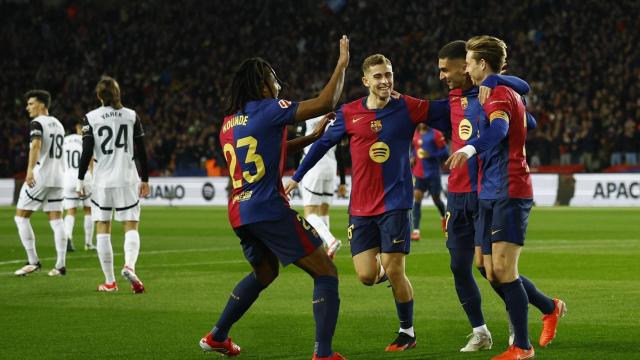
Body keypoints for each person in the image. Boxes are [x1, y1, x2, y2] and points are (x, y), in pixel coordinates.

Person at [286, 53, 458, 352]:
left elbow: (446, 110)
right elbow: (322, 144)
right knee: (366, 276)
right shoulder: (349, 113)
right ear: (366, 81)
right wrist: (296, 178)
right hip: (361, 208)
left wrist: (473, 93)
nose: (385, 80)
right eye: (378, 76)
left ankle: (407, 331)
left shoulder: (406, 106)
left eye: (388, 74)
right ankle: (393, 280)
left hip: (396, 202)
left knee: (394, 268)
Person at [199, 36, 349, 360]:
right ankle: (323, 354)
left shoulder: (229, 122)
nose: (278, 82)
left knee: (265, 273)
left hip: (240, 211)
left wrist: (310, 138)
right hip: (267, 208)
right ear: (262, 84)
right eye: (273, 76)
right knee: (326, 271)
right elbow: (326, 101)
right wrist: (342, 64)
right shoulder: (270, 109)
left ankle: (217, 336)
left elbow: (269, 151)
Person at [446, 35, 566, 360]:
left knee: (503, 269)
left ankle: (522, 347)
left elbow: (499, 131)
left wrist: (469, 149)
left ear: (481, 64)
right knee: (485, 268)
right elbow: (526, 119)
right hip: (488, 190)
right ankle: (549, 306)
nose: (466, 68)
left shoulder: (497, 94)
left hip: (509, 189)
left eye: (469, 62)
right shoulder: (497, 91)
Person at [76, 76, 150, 294]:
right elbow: (142, 151)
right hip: (127, 178)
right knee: (131, 225)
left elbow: (87, 151)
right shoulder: (131, 115)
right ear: (119, 93)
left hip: (103, 181)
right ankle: (129, 265)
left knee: (103, 228)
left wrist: (81, 179)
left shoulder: (91, 118)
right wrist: (145, 179)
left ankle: (110, 282)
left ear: (99, 96)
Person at [14, 90, 67, 277]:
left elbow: (36, 145)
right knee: (56, 220)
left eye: (31, 103)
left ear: (42, 105)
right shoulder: (59, 124)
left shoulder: (37, 123)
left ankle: (33, 261)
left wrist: (29, 170)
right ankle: (60, 266)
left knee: (21, 217)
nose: (27, 107)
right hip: (59, 177)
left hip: (42, 175)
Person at [299, 114, 347, 259]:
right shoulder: (334, 121)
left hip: (313, 168)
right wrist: (343, 181)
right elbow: (340, 153)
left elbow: (299, 145)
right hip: (331, 169)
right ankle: (327, 248)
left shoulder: (306, 120)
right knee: (324, 211)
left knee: (310, 213)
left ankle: (331, 241)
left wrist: (298, 171)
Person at [410, 123, 448, 241]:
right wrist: (412, 157)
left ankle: (444, 218)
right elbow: (414, 150)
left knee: (436, 199)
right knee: (417, 198)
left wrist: (430, 155)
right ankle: (416, 231)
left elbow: (445, 152)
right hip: (419, 173)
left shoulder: (436, 134)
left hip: (433, 173)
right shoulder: (415, 133)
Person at [62, 122, 95, 252]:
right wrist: (93, 175)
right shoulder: (87, 140)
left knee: (70, 211)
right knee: (88, 210)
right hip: (84, 177)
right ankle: (88, 243)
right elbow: (91, 158)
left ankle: (67, 238)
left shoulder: (65, 140)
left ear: (76, 127)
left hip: (68, 177)